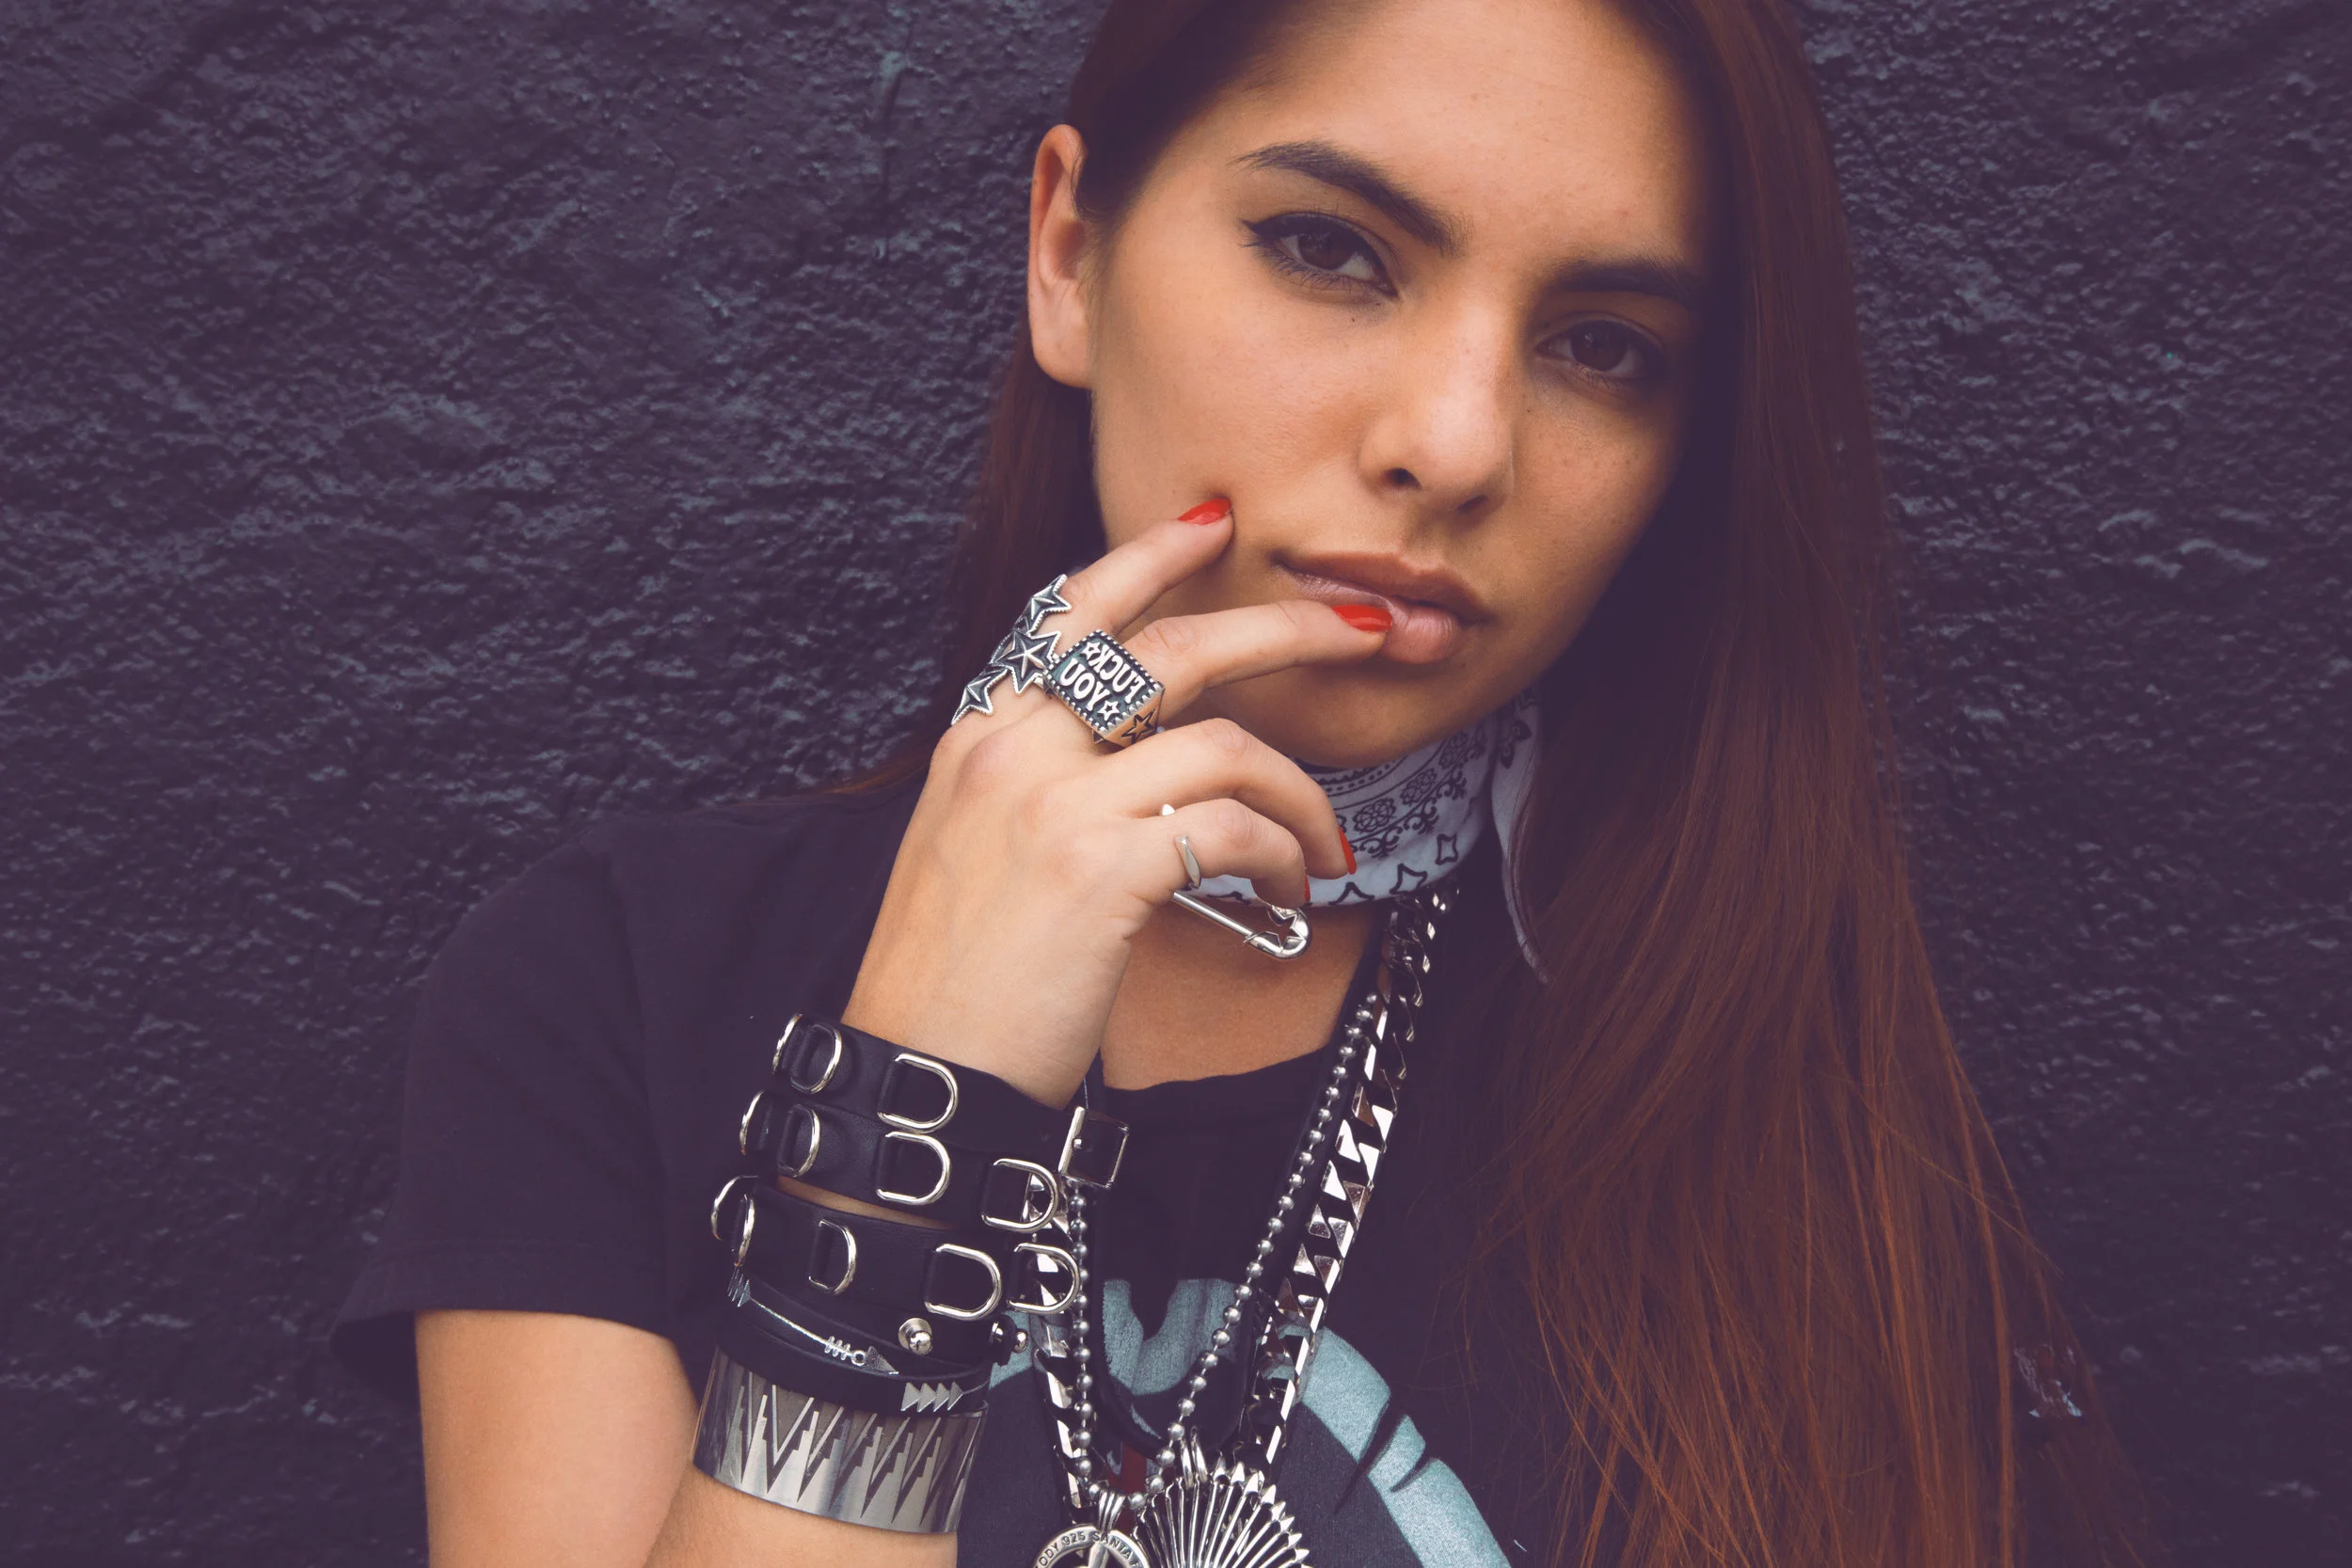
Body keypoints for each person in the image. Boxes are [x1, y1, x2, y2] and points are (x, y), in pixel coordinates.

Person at [331, 0, 2156, 1563]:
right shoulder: (614, 991)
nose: (1454, 440)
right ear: (1070, 254)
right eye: (1332, 250)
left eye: (1601, 345)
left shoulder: (1795, 1100)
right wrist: (923, 1099)